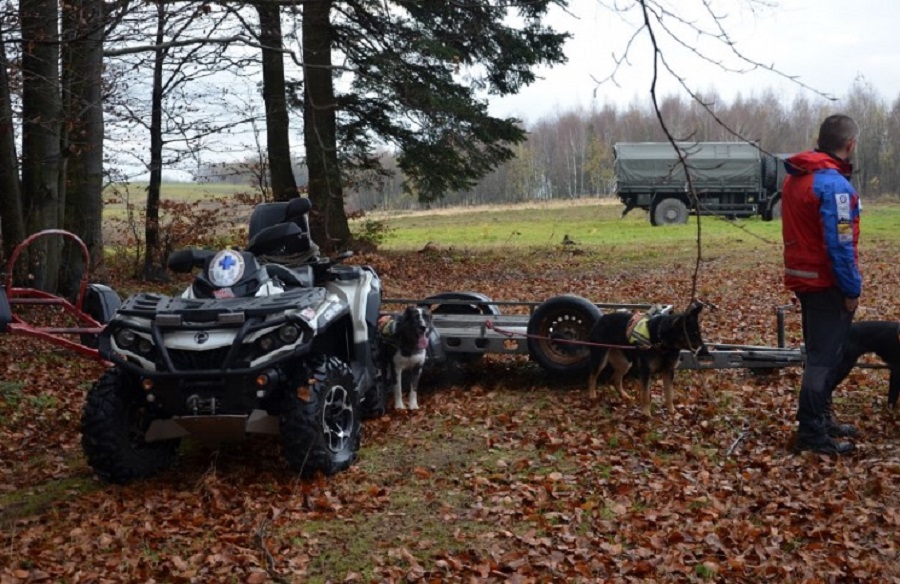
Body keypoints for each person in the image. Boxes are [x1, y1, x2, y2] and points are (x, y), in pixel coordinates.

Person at [781, 113, 862, 455]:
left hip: (804, 279)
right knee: (823, 360)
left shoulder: (797, 179)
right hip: (827, 284)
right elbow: (840, 245)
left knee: (822, 353)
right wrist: (851, 290)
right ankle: (812, 435)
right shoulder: (834, 187)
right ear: (849, 144)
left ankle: (822, 420)